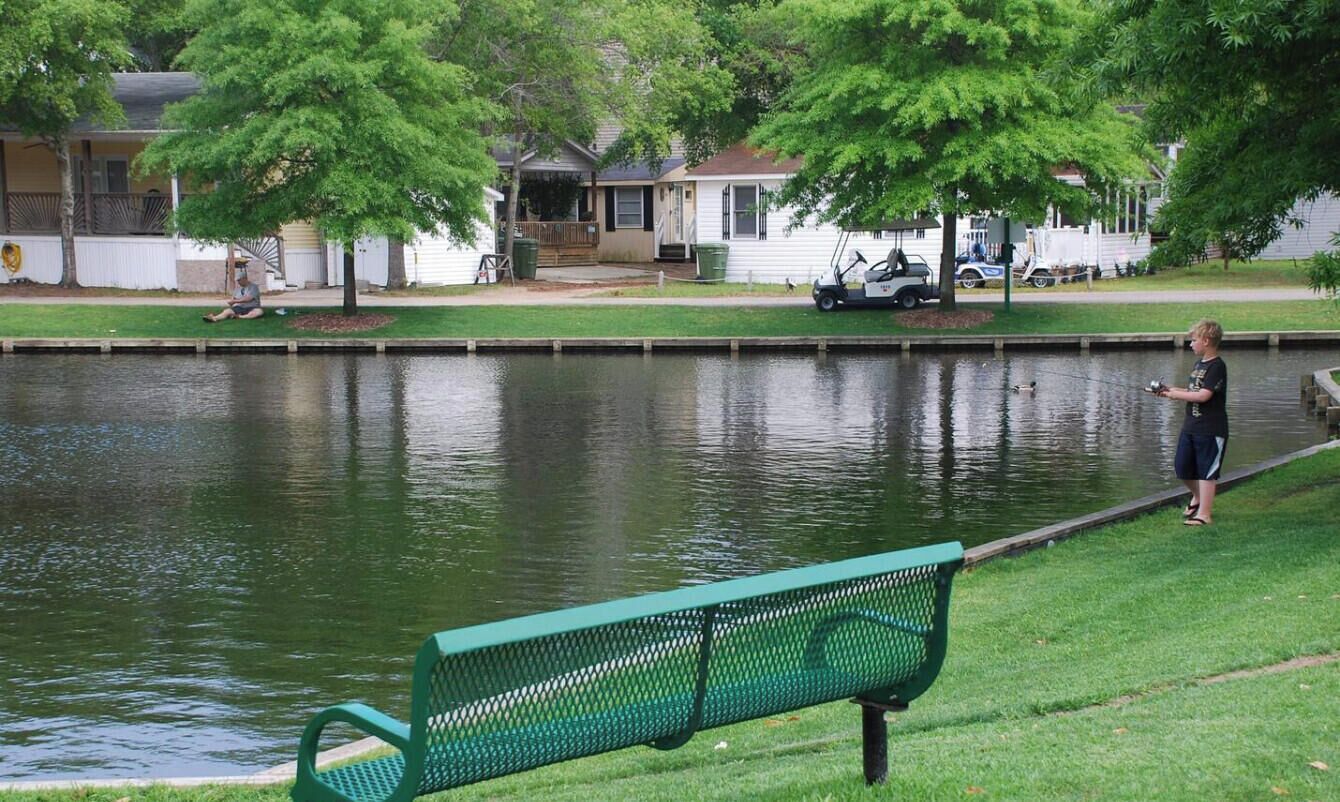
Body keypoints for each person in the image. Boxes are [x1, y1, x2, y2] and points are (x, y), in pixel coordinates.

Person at [1156, 319, 1228, 526]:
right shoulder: (1199, 365)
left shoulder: (1217, 366)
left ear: (1206, 341)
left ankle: (1204, 515)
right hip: (1191, 427)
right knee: (1182, 467)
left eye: (1193, 340)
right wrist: (1171, 389)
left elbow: (1203, 396)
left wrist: (1174, 397)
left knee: (1207, 472)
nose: (1190, 344)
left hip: (1211, 429)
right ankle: (1197, 497)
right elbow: (1193, 391)